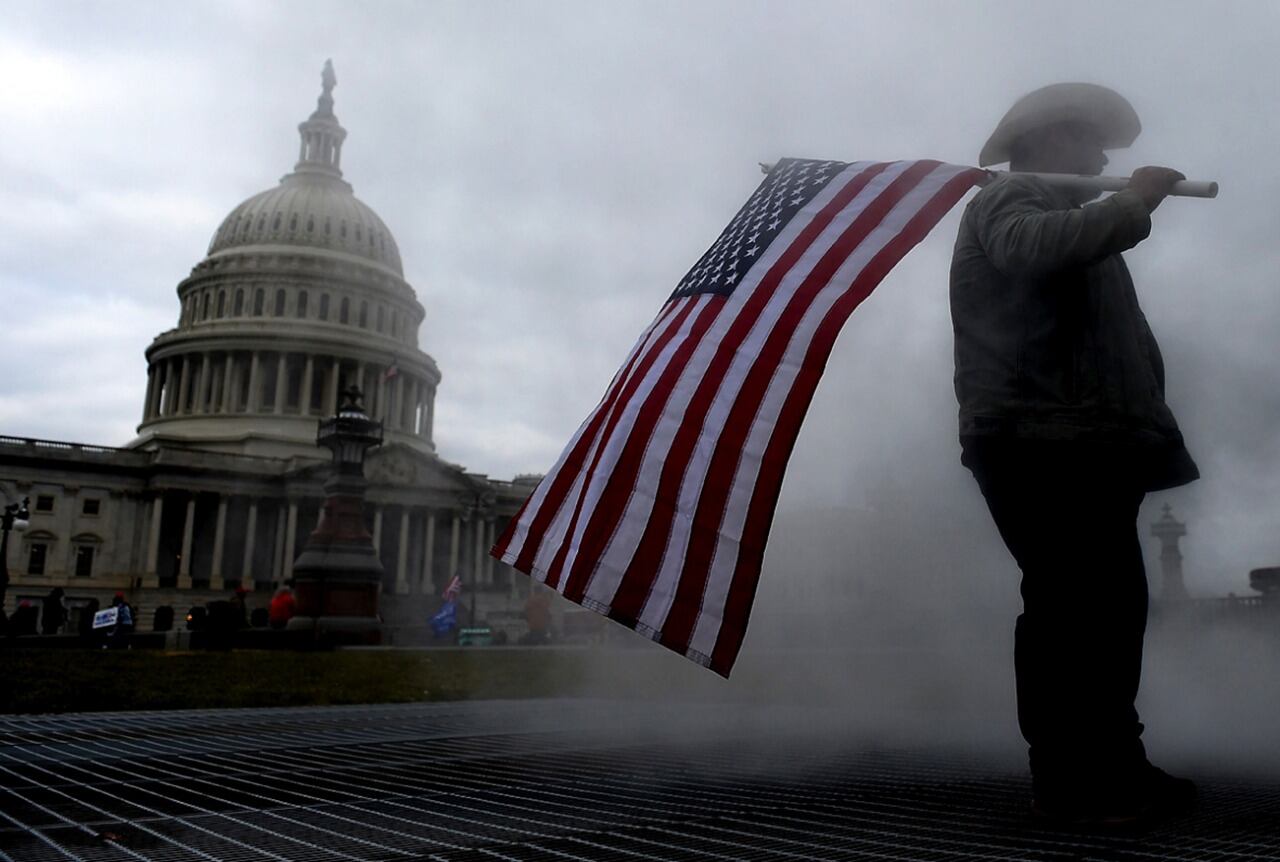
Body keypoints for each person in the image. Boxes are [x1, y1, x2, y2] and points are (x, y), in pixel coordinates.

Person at [951, 83, 1198, 824]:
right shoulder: (1013, 198)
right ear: (1051, 138)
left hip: (1090, 440)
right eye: (1090, 142)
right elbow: (1031, 253)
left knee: (1110, 608)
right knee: (1069, 606)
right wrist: (1135, 203)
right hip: (1037, 439)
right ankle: (1068, 775)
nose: (1101, 158)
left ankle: (1114, 763)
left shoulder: (1069, 211)